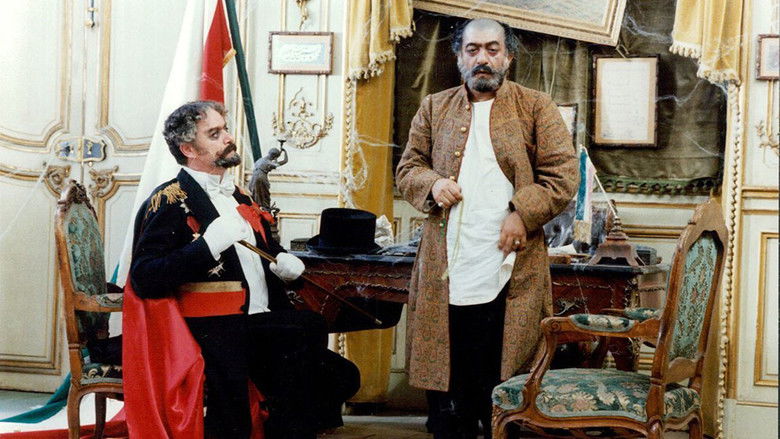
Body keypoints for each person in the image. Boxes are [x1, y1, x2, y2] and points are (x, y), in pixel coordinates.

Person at [129, 100, 359, 439]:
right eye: (214, 134)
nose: (228, 138)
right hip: (211, 326)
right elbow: (145, 276)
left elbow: (260, 251)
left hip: (258, 319)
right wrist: (206, 247)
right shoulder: (170, 201)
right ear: (188, 149)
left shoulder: (239, 196)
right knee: (304, 337)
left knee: (340, 372)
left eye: (224, 129)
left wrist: (282, 263)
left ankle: (287, 424)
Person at [395, 18, 579, 439]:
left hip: (510, 264)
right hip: (447, 265)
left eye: (492, 49)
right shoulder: (434, 107)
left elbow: (563, 176)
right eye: (473, 49)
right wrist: (432, 184)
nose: (483, 58)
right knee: (450, 387)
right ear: (459, 57)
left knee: (501, 378)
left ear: (508, 57)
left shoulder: (536, 107)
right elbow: (408, 168)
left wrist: (521, 214)